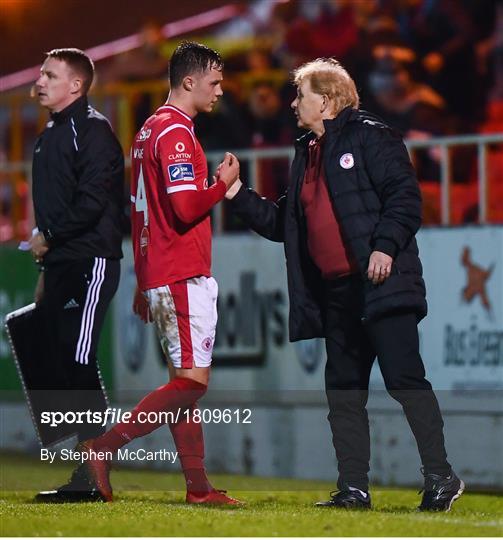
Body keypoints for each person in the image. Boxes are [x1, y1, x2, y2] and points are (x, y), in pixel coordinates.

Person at [225, 57, 464, 512]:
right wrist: (237, 194)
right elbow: (285, 224)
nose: (294, 103)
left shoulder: (373, 135)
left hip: (382, 282)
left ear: (328, 100)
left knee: (404, 381)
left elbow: (405, 199)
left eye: (301, 95)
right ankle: (353, 488)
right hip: (338, 294)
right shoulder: (308, 151)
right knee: (344, 393)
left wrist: (384, 248)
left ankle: (440, 476)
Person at [77, 42, 242, 505]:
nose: (220, 90)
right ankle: (103, 448)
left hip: (162, 270)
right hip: (180, 270)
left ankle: (198, 487)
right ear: (188, 82)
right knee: (191, 383)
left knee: (182, 385)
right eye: (214, 81)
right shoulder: (175, 134)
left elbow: (139, 211)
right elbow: (185, 205)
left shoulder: (149, 129)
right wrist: (221, 185)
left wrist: (143, 279)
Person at [28, 48, 125, 502]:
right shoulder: (49, 134)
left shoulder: (94, 131)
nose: (40, 81)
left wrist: (48, 234)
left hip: (91, 260)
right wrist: (47, 260)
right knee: (58, 363)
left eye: (50, 74)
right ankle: (85, 471)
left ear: (76, 85)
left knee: (78, 358)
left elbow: (91, 204)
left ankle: (94, 470)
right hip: (62, 262)